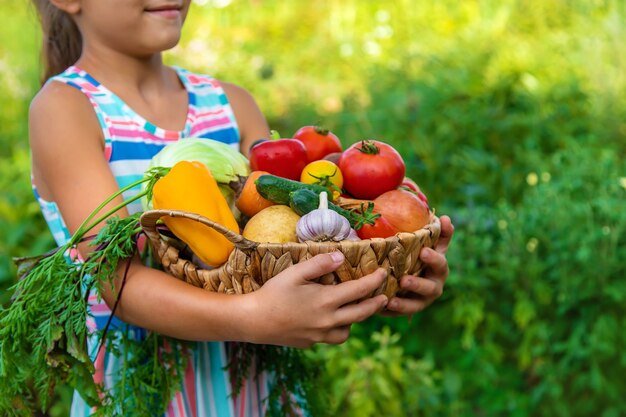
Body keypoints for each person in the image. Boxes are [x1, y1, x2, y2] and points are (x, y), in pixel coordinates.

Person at [28, 0, 455, 416]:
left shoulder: (232, 105)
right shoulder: (66, 109)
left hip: (258, 388)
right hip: (140, 397)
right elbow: (116, 280)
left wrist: (393, 270)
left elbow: (291, 239)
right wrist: (250, 316)